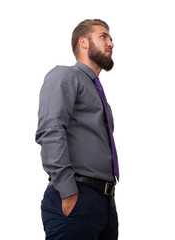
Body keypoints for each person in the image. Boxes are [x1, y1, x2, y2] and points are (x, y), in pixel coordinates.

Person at [36, 19, 119, 240]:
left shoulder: (98, 94)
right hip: (76, 197)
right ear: (83, 42)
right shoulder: (65, 75)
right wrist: (68, 191)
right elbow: (51, 130)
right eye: (103, 36)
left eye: (110, 38)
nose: (110, 43)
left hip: (104, 202)